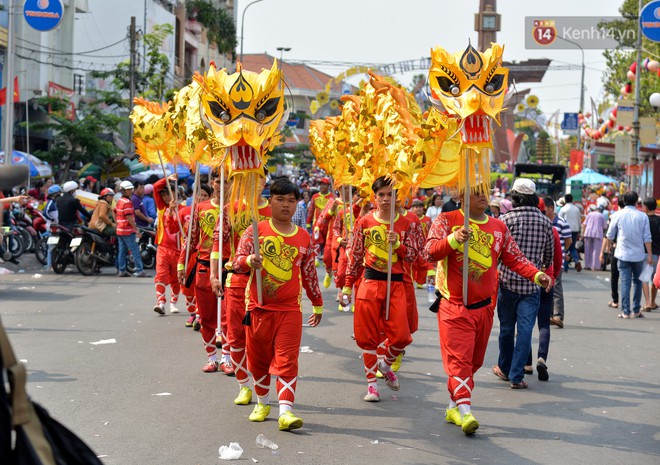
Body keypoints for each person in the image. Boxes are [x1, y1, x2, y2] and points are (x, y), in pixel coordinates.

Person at [424, 187, 552, 434]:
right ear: (461, 195)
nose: (483, 197)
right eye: (476, 192)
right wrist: (454, 239)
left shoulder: (498, 226)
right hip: (453, 305)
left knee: (473, 362)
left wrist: (537, 275)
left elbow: (515, 258)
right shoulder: (446, 220)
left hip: (484, 308)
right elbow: (429, 250)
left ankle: (452, 407)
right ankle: (465, 410)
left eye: (484, 192)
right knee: (459, 361)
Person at [232, 177, 323, 431]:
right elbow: (236, 262)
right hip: (258, 307)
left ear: (297, 205)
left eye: (291, 201)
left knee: (287, 358)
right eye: (280, 199)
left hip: (290, 309)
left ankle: (286, 411)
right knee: (258, 360)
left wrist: (317, 303)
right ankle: (262, 402)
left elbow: (309, 274)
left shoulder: (304, 237)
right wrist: (249, 260)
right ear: (270, 201)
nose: (286, 205)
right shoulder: (255, 231)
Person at [341, 176, 417, 403]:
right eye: (381, 195)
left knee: (402, 336)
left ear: (398, 197)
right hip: (370, 284)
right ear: (374, 197)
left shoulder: (408, 222)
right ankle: (372, 386)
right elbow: (355, 256)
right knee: (368, 338)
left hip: (396, 284)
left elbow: (416, 255)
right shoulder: (364, 222)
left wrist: (399, 246)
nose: (385, 199)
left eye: (390, 195)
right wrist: (346, 286)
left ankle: (385, 364)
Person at [493, 178, 554, 389]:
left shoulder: (505, 219)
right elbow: (548, 257)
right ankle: (517, 377)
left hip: (507, 282)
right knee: (526, 331)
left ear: (515, 197)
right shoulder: (546, 221)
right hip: (531, 286)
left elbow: (497, 254)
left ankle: (504, 367)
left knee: (507, 329)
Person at [177, 170, 222, 372]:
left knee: (230, 318)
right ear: (213, 183)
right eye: (219, 181)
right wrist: (181, 265)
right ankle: (212, 357)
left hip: (230, 268)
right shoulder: (201, 208)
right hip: (204, 266)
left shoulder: (238, 209)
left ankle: (229, 358)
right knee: (207, 317)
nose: (223, 186)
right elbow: (191, 238)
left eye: (228, 182)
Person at [525, 198, 563, 382]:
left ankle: (527, 363)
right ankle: (541, 358)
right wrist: (552, 276)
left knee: (525, 323)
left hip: (528, 279)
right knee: (544, 325)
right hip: (546, 280)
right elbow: (558, 258)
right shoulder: (552, 229)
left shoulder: (521, 225)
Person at [605, 191, 652, 319]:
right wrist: (649, 254)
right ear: (636, 202)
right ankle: (636, 309)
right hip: (638, 254)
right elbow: (647, 237)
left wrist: (609, 247)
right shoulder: (643, 216)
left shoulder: (617, 215)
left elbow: (609, 235)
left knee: (625, 282)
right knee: (637, 282)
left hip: (622, 254)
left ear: (624, 201)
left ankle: (626, 311)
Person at [152, 176, 182, 315]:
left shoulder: (183, 209)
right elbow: (155, 187)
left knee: (176, 279)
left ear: (176, 194)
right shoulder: (161, 208)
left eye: (168, 193)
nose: (165, 196)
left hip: (178, 250)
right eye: (163, 194)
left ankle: (173, 303)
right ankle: (161, 302)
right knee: (161, 275)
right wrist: (167, 179)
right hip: (163, 247)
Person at [544, 197, 572, 329]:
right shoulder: (542, 222)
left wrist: (561, 252)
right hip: (545, 261)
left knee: (556, 288)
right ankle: (548, 315)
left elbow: (568, 241)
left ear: (550, 208)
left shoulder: (561, 222)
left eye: (544, 208)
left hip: (556, 261)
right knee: (547, 288)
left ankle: (558, 316)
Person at [115, 181, 148, 278]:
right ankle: (140, 270)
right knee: (135, 250)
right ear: (123, 191)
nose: (130, 191)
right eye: (128, 190)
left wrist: (118, 222)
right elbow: (129, 217)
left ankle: (122, 270)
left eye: (130, 189)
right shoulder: (127, 202)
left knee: (122, 251)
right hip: (127, 230)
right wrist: (136, 229)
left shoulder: (120, 201)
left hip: (120, 230)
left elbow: (114, 212)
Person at [306, 177, 335, 260]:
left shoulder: (333, 197)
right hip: (317, 224)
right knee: (316, 240)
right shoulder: (315, 197)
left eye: (324, 184)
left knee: (327, 242)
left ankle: (327, 260)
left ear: (328, 186)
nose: (322, 186)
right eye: (321, 184)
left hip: (329, 224)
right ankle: (315, 259)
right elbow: (311, 210)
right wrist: (308, 222)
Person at [642, 197, 660, 311]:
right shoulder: (659, 220)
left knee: (645, 278)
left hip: (644, 252)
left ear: (646, 208)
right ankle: (653, 302)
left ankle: (647, 302)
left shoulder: (643, 219)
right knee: (654, 279)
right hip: (656, 254)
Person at [558, 193, 582, 272]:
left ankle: (565, 267)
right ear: (572, 200)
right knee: (572, 247)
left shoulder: (563, 209)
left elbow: (559, 220)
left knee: (565, 247)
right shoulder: (576, 209)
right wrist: (579, 231)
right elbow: (579, 221)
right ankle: (576, 261)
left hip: (565, 230)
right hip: (575, 230)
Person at [582, 204, 607, 271]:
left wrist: (583, 233)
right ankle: (595, 266)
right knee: (596, 250)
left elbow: (584, 224)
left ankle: (587, 265)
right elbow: (605, 227)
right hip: (597, 233)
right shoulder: (601, 216)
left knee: (587, 250)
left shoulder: (589, 214)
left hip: (588, 233)